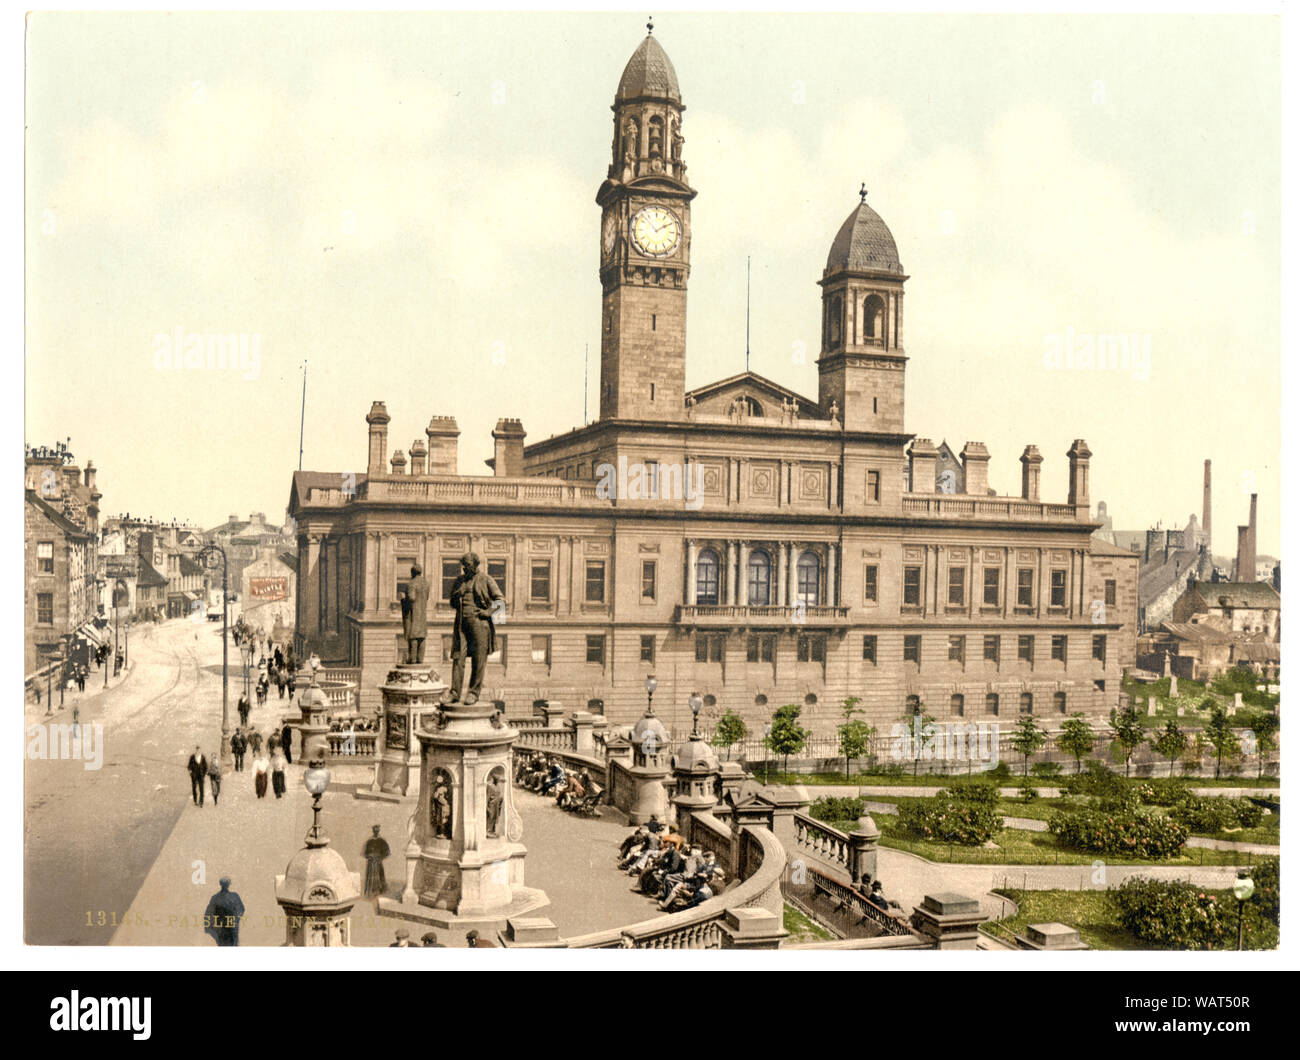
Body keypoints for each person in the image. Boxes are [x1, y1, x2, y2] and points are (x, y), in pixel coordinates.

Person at [446, 552, 504, 705]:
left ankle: (473, 693)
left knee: (479, 660)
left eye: (468, 565)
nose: (465, 569)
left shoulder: (486, 579)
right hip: (461, 624)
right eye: (463, 566)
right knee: (458, 658)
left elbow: (500, 600)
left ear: (476, 565)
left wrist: (488, 612)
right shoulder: (459, 581)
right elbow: (452, 602)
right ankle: (454, 692)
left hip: (479, 623)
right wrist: (459, 592)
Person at [400, 563, 431, 664]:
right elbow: (426, 598)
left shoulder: (411, 584)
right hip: (422, 613)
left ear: (412, 572)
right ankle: (420, 659)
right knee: (422, 636)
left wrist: (403, 599)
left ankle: (412, 659)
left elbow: (412, 598)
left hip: (412, 614)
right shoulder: (426, 584)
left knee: (412, 636)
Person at [203, 877, 245, 946]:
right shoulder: (234, 896)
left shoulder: (216, 897)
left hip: (225, 928)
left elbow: (208, 913)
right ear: (229, 884)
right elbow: (241, 910)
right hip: (227, 928)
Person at [363, 825, 390, 897]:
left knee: (379, 875)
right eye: (374, 830)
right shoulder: (370, 841)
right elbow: (366, 853)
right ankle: (370, 891)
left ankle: (379, 891)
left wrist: (380, 857)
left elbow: (387, 852)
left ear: (379, 831)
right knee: (371, 876)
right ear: (373, 831)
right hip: (371, 862)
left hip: (378, 862)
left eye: (377, 830)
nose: (376, 831)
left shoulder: (382, 841)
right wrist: (370, 856)